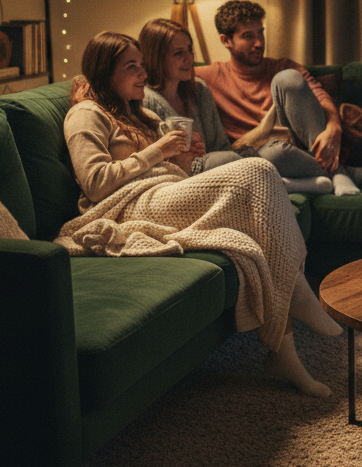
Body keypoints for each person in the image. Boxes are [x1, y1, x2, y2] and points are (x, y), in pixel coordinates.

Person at [59, 30, 342, 398]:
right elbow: (95, 182)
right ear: (104, 73)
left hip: (166, 192)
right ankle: (297, 288)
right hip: (129, 205)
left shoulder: (138, 112)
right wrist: (157, 151)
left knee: (253, 228)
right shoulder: (85, 114)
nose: (143, 74)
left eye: (142, 65)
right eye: (132, 67)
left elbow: (171, 166)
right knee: (256, 172)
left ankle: (282, 352)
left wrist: (182, 155)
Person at [196, 0, 362, 195]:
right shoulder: (207, 77)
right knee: (272, 154)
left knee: (288, 78)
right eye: (248, 36)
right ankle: (343, 173)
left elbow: (321, 97)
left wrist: (334, 126)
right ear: (226, 41)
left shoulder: (282, 65)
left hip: (302, 149)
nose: (259, 43)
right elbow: (167, 75)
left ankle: (321, 175)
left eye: (261, 33)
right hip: (264, 155)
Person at [137, 18, 274, 174]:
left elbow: (220, 146)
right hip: (182, 174)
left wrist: (202, 150)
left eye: (189, 50)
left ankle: (289, 181)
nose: (189, 59)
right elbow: (156, 161)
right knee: (238, 160)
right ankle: (278, 179)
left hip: (215, 164)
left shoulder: (199, 89)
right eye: (178, 53)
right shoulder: (146, 99)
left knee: (276, 150)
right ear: (156, 58)